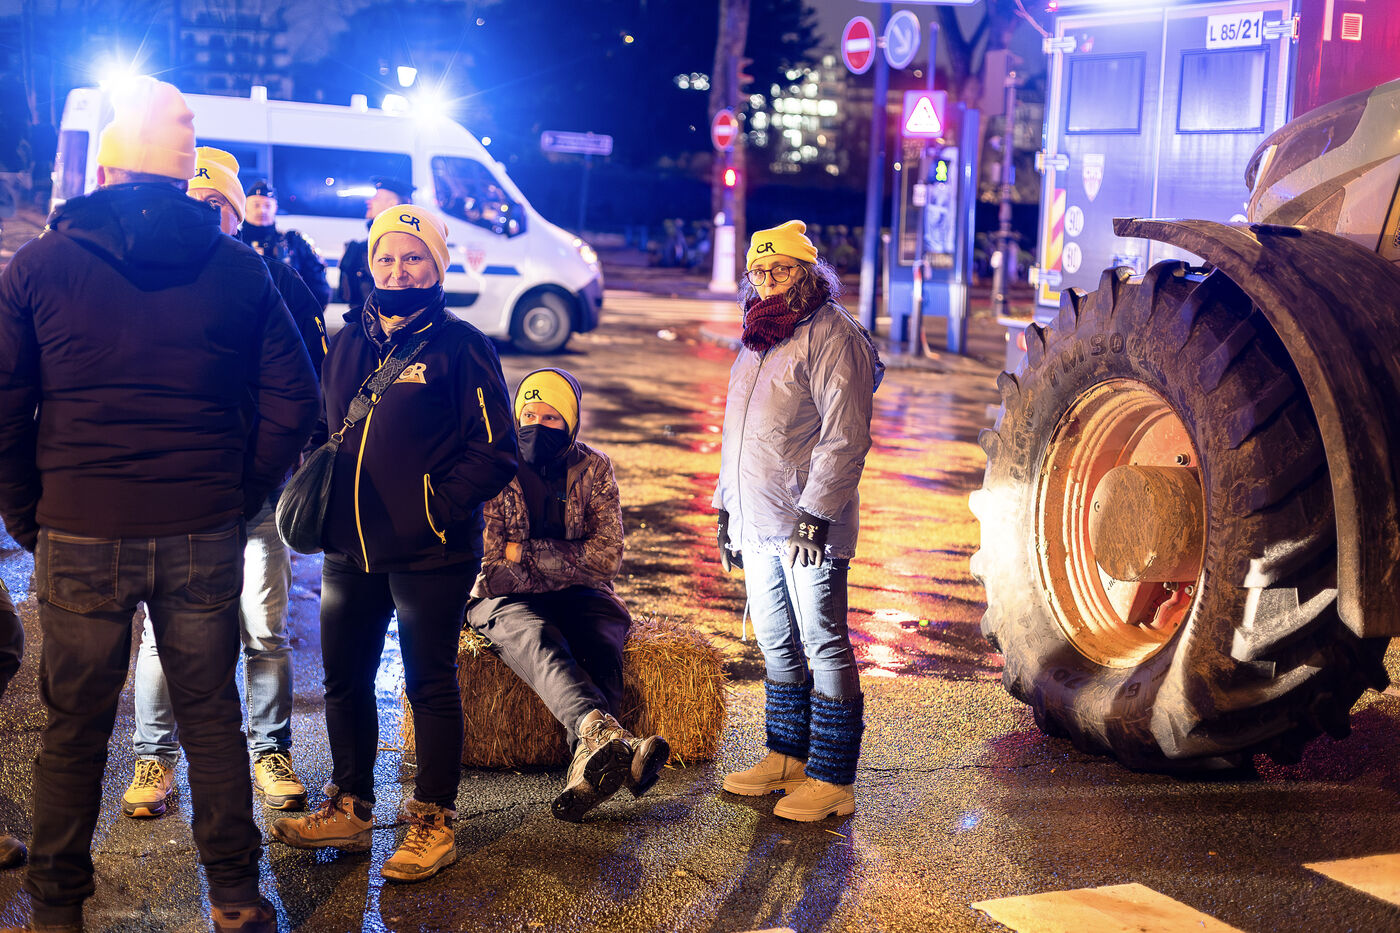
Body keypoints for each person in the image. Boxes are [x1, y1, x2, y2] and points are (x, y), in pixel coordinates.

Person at [0, 77, 319, 932]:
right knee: (211, 717)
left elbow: (4, 406)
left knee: (73, 729)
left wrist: (29, 512)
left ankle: (57, 909)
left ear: (103, 171)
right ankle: (235, 896)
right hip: (199, 528)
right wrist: (238, 492)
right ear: (186, 177)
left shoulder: (38, 266)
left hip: (79, 526)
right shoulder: (240, 270)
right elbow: (297, 398)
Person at [270, 205, 516, 883]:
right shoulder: (347, 340)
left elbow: (496, 451)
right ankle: (350, 807)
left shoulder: (462, 347)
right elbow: (322, 425)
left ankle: (434, 819)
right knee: (344, 678)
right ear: (369, 265)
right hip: (349, 549)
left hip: (431, 552)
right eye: (386, 257)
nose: (398, 270)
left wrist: (433, 508)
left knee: (428, 682)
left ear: (437, 266)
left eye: (413, 257)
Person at [120, 147, 327, 823]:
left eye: (217, 205)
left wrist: (264, 475)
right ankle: (154, 757)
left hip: (254, 497)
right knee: (162, 635)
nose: (204, 215)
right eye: (194, 202)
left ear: (237, 216)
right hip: (176, 496)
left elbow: (304, 392)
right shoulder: (149, 277)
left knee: (263, 632)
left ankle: (271, 753)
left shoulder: (276, 281)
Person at [713, 220, 883, 822]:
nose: (768, 281)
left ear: (807, 272)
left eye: (780, 269)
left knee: (823, 641)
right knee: (775, 639)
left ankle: (832, 779)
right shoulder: (758, 334)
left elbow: (845, 437)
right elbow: (738, 436)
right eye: (758, 272)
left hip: (807, 524)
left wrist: (816, 516)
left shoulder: (833, 334)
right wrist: (726, 507)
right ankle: (786, 758)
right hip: (757, 518)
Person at [467, 369, 671, 823]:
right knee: (540, 639)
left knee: (601, 642)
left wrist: (525, 552)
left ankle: (587, 767)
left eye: (551, 418)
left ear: (571, 423)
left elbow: (606, 559)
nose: (537, 426)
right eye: (529, 415)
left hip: (581, 593)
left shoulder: (594, 468)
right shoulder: (496, 466)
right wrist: (566, 558)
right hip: (503, 598)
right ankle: (610, 739)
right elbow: (492, 565)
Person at [240, 179, 332, 309]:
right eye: (256, 205)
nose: (262, 211)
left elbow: (319, 288)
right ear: (245, 207)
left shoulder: (294, 242)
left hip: (287, 317)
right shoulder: (234, 242)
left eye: (267, 205)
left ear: (275, 208)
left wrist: (304, 317)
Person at [337, 176, 414, 309]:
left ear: (392, 204)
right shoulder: (369, 242)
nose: (369, 201)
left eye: (376, 198)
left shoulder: (396, 242)